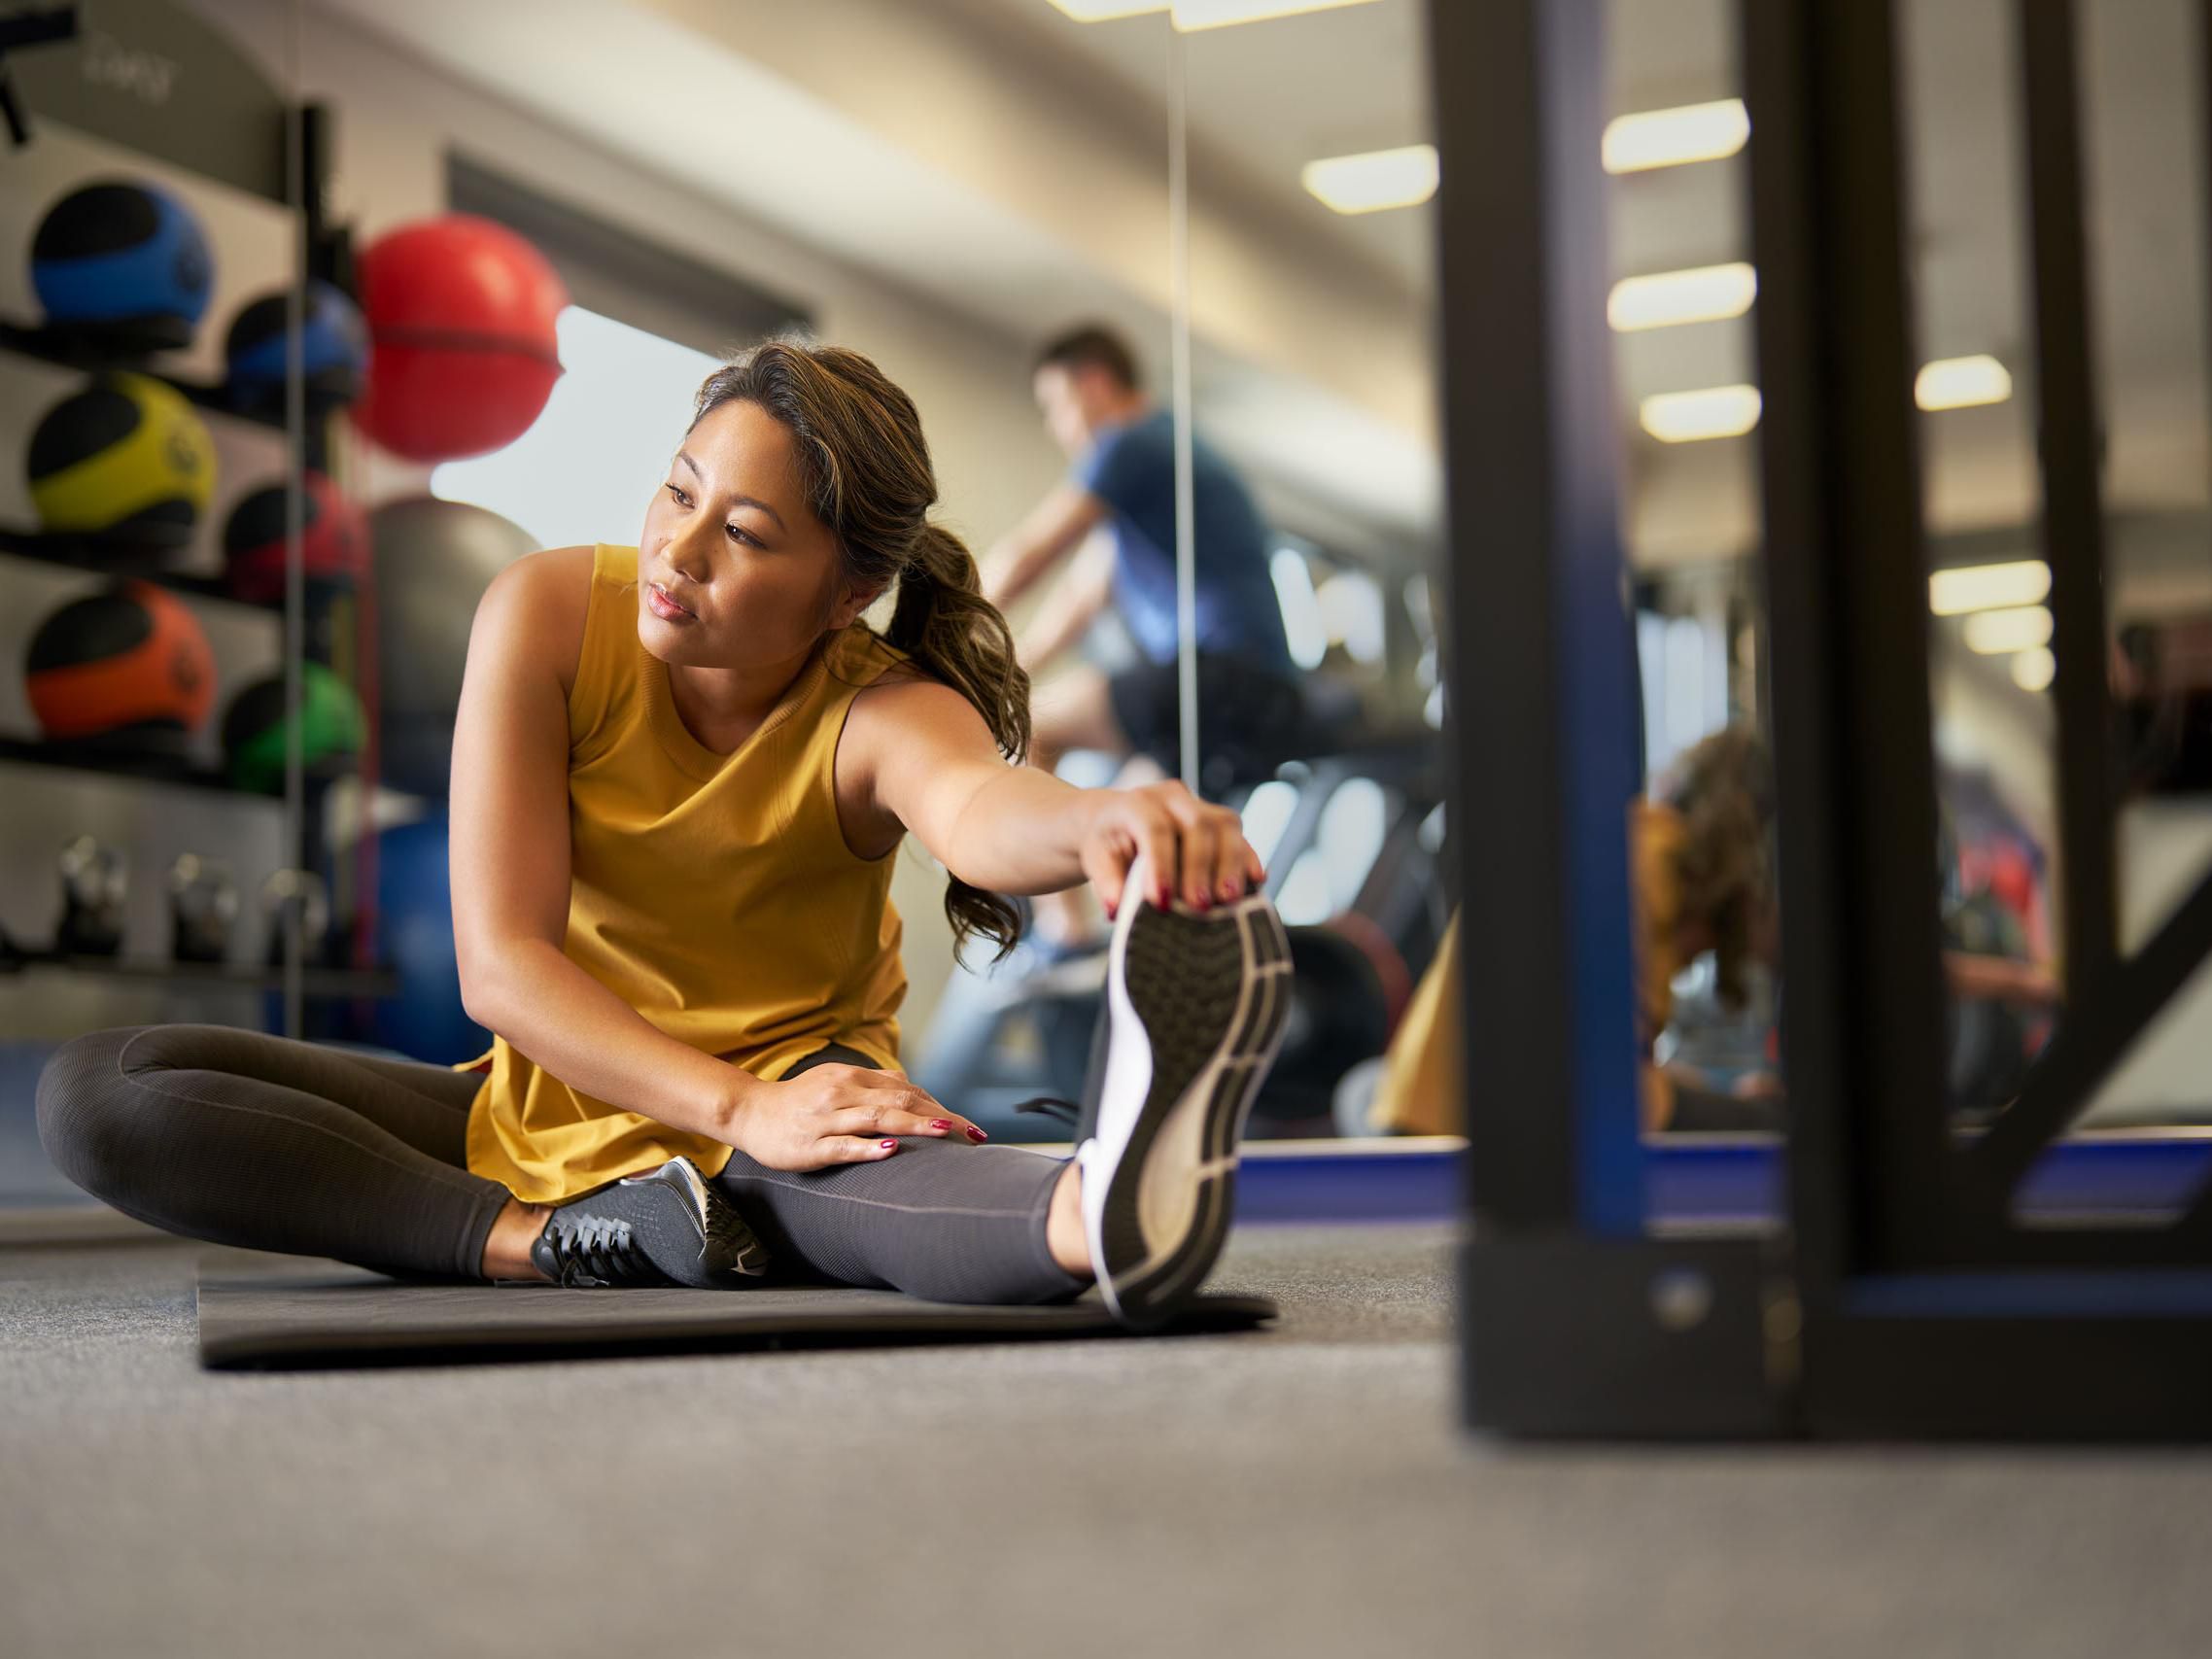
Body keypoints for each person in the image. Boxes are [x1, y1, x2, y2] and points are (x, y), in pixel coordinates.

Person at [34, 341, 1292, 1329]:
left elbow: (975, 809)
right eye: (679, 491)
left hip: (788, 1098)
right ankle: (550, 1243)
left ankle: (1103, 1207)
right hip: (547, 1103)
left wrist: (1101, 819)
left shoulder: (879, 706)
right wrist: (724, 1106)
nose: (676, 552)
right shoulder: (544, 613)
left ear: (847, 592)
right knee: (102, 1092)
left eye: (742, 534)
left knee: (857, 1196)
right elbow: (502, 966)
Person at [983, 324, 1304, 949]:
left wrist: (935, 631)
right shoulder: (1158, 465)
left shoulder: (1131, 442)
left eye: (1057, 405)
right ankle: (1129, 949)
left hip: (1223, 676)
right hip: (1252, 688)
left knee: (1033, 727)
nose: (1056, 426)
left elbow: (1028, 556)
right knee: (1128, 814)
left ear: (1095, 384)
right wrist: (1001, 674)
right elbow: (1077, 602)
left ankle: (1065, 940)